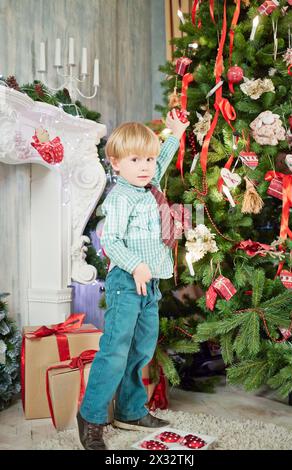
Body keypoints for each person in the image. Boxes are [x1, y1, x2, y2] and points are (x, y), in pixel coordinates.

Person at [77, 109, 190, 450]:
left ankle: (130, 409)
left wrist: (175, 132)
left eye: (149, 160)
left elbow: (163, 157)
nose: (145, 166)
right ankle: (92, 416)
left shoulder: (149, 184)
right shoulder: (121, 198)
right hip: (126, 283)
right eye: (136, 159)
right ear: (115, 163)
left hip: (149, 285)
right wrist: (136, 265)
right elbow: (110, 242)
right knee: (115, 351)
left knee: (141, 349)